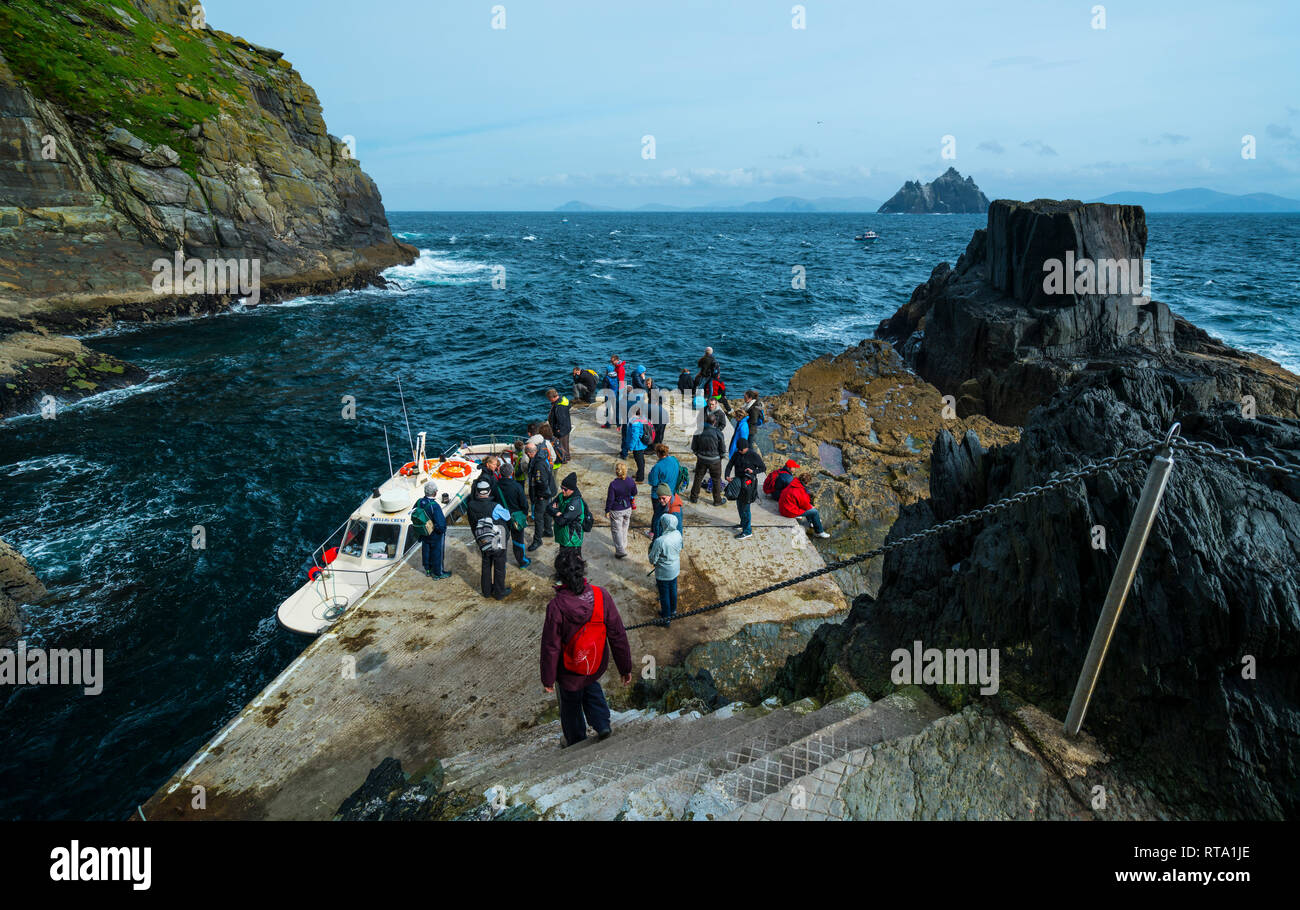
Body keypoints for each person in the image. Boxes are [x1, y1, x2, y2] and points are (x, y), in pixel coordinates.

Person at [540, 549, 633, 747]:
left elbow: (551, 647)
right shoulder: (602, 595)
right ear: (583, 571)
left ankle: (576, 740)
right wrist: (625, 668)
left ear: (558, 576)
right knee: (591, 685)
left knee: (570, 703)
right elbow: (617, 634)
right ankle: (602, 724)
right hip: (594, 661)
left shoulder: (556, 607)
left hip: (569, 669)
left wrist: (548, 679)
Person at [466, 478, 512, 599]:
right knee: (499, 566)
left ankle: (486, 591)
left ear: (477, 492)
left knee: (486, 565)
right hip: (498, 539)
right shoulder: (494, 506)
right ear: (489, 491)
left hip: (482, 539)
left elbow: (472, 522)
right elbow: (507, 516)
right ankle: (499, 593)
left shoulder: (470, 506)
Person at [725, 436, 765, 540]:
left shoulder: (753, 455)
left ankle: (747, 531)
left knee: (745, 508)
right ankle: (742, 524)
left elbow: (763, 468)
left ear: (746, 448)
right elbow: (729, 465)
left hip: (749, 485)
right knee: (739, 505)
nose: (739, 451)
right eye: (738, 449)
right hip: (738, 483)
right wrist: (727, 475)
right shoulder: (737, 454)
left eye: (741, 449)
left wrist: (753, 472)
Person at [647, 513, 683, 625]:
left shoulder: (660, 541)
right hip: (675, 567)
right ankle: (673, 610)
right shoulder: (678, 534)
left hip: (663, 572)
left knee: (664, 594)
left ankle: (666, 619)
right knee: (673, 589)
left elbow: (652, 559)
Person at [495, 463, 533, 567]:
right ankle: (522, 562)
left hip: (501, 518)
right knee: (518, 541)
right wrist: (525, 514)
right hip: (515, 517)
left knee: (500, 540)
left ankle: (500, 562)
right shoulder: (516, 486)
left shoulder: (495, 486)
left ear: (500, 473)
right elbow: (524, 504)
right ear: (512, 473)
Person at [411, 481, 449, 579]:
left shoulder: (419, 501)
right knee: (437, 553)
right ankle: (438, 573)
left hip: (423, 533)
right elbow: (441, 525)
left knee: (426, 551)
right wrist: (440, 530)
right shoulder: (434, 506)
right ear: (435, 493)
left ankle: (428, 570)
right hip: (435, 535)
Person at [689, 410, 726, 505]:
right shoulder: (718, 433)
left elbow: (694, 447)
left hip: (702, 459)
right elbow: (722, 449)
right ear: (714, 422)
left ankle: (694, 497)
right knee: (716, 480)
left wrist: (698, 454)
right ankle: (717, 500)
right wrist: (720, 457)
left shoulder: (698, 431)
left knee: (698, 477)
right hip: (715, 460)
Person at [525, 442, 556, 551]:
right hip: (548, 492)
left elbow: (541, 481)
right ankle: (548, 531)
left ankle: (537, 540)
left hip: (543, 494)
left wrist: (541, 496)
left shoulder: (538, 464)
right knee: (547, 512)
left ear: (530, 453)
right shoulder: (541, 457)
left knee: (538, 517)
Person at [780, 474, 831, 538]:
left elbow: (801, 502)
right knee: (814, 512)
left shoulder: (793, 483)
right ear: (806, 483)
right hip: (788, 511)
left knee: (809, 509)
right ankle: (819, 532)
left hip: (783, 507)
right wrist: (811, 507)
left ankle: (812, 522)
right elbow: (804, 505)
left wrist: (808, 506)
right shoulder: (799, 490)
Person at [549, 472, 588, 553]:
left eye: (565, 489)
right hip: (563, 537)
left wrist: (555, 512)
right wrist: (557, 513)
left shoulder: (575, 503)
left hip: (572, 541)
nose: (562, 491)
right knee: (563, 563)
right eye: (561, 487)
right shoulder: (561, 496)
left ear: (572, 489)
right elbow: (548, 507)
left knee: (572, 564)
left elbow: (561, 521)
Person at [604, 461, 637, 558]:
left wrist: (607, 510)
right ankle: (624, 543)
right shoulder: (630, 481)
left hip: (617, 510)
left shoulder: (613, 484)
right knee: (625, 526)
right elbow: (634, 492)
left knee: (616, 530)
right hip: (628, 508)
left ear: (616, 472)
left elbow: (610, 499)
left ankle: (620, 551)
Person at [620, 413, 652, 483]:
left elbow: (635, 436)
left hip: (637, 446)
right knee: (641, 461)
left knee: (640, 462)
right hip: (641, 444)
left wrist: (631, 447)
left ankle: (640, 479)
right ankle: (639, 474)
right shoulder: (642, 418)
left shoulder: (636, 423)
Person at [547, 389, 573, 463]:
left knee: (561, 446)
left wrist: (557, 429)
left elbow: (561, 419)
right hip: (566, 427)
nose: (549, 400)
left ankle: (564, 459)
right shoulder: (562, 401)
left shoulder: (559, 407)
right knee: (565, 444)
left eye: (549, 399)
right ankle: (567, 457)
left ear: (552, 397)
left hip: (562, 430)